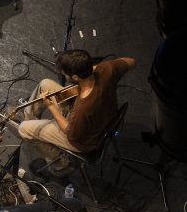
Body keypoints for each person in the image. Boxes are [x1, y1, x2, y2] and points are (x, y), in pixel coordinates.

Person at [19, 49, 136, 177]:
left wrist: (50, 106)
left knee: (23, 129)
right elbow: (132, 62)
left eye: (65, 74)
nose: (64, 75)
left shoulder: (82, 108)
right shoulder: (107, 68)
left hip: (84, 141)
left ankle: (61, 164)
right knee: (45, 84)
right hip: (101, 117)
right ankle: (31, 120)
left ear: (75, 76)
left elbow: (69, 132)